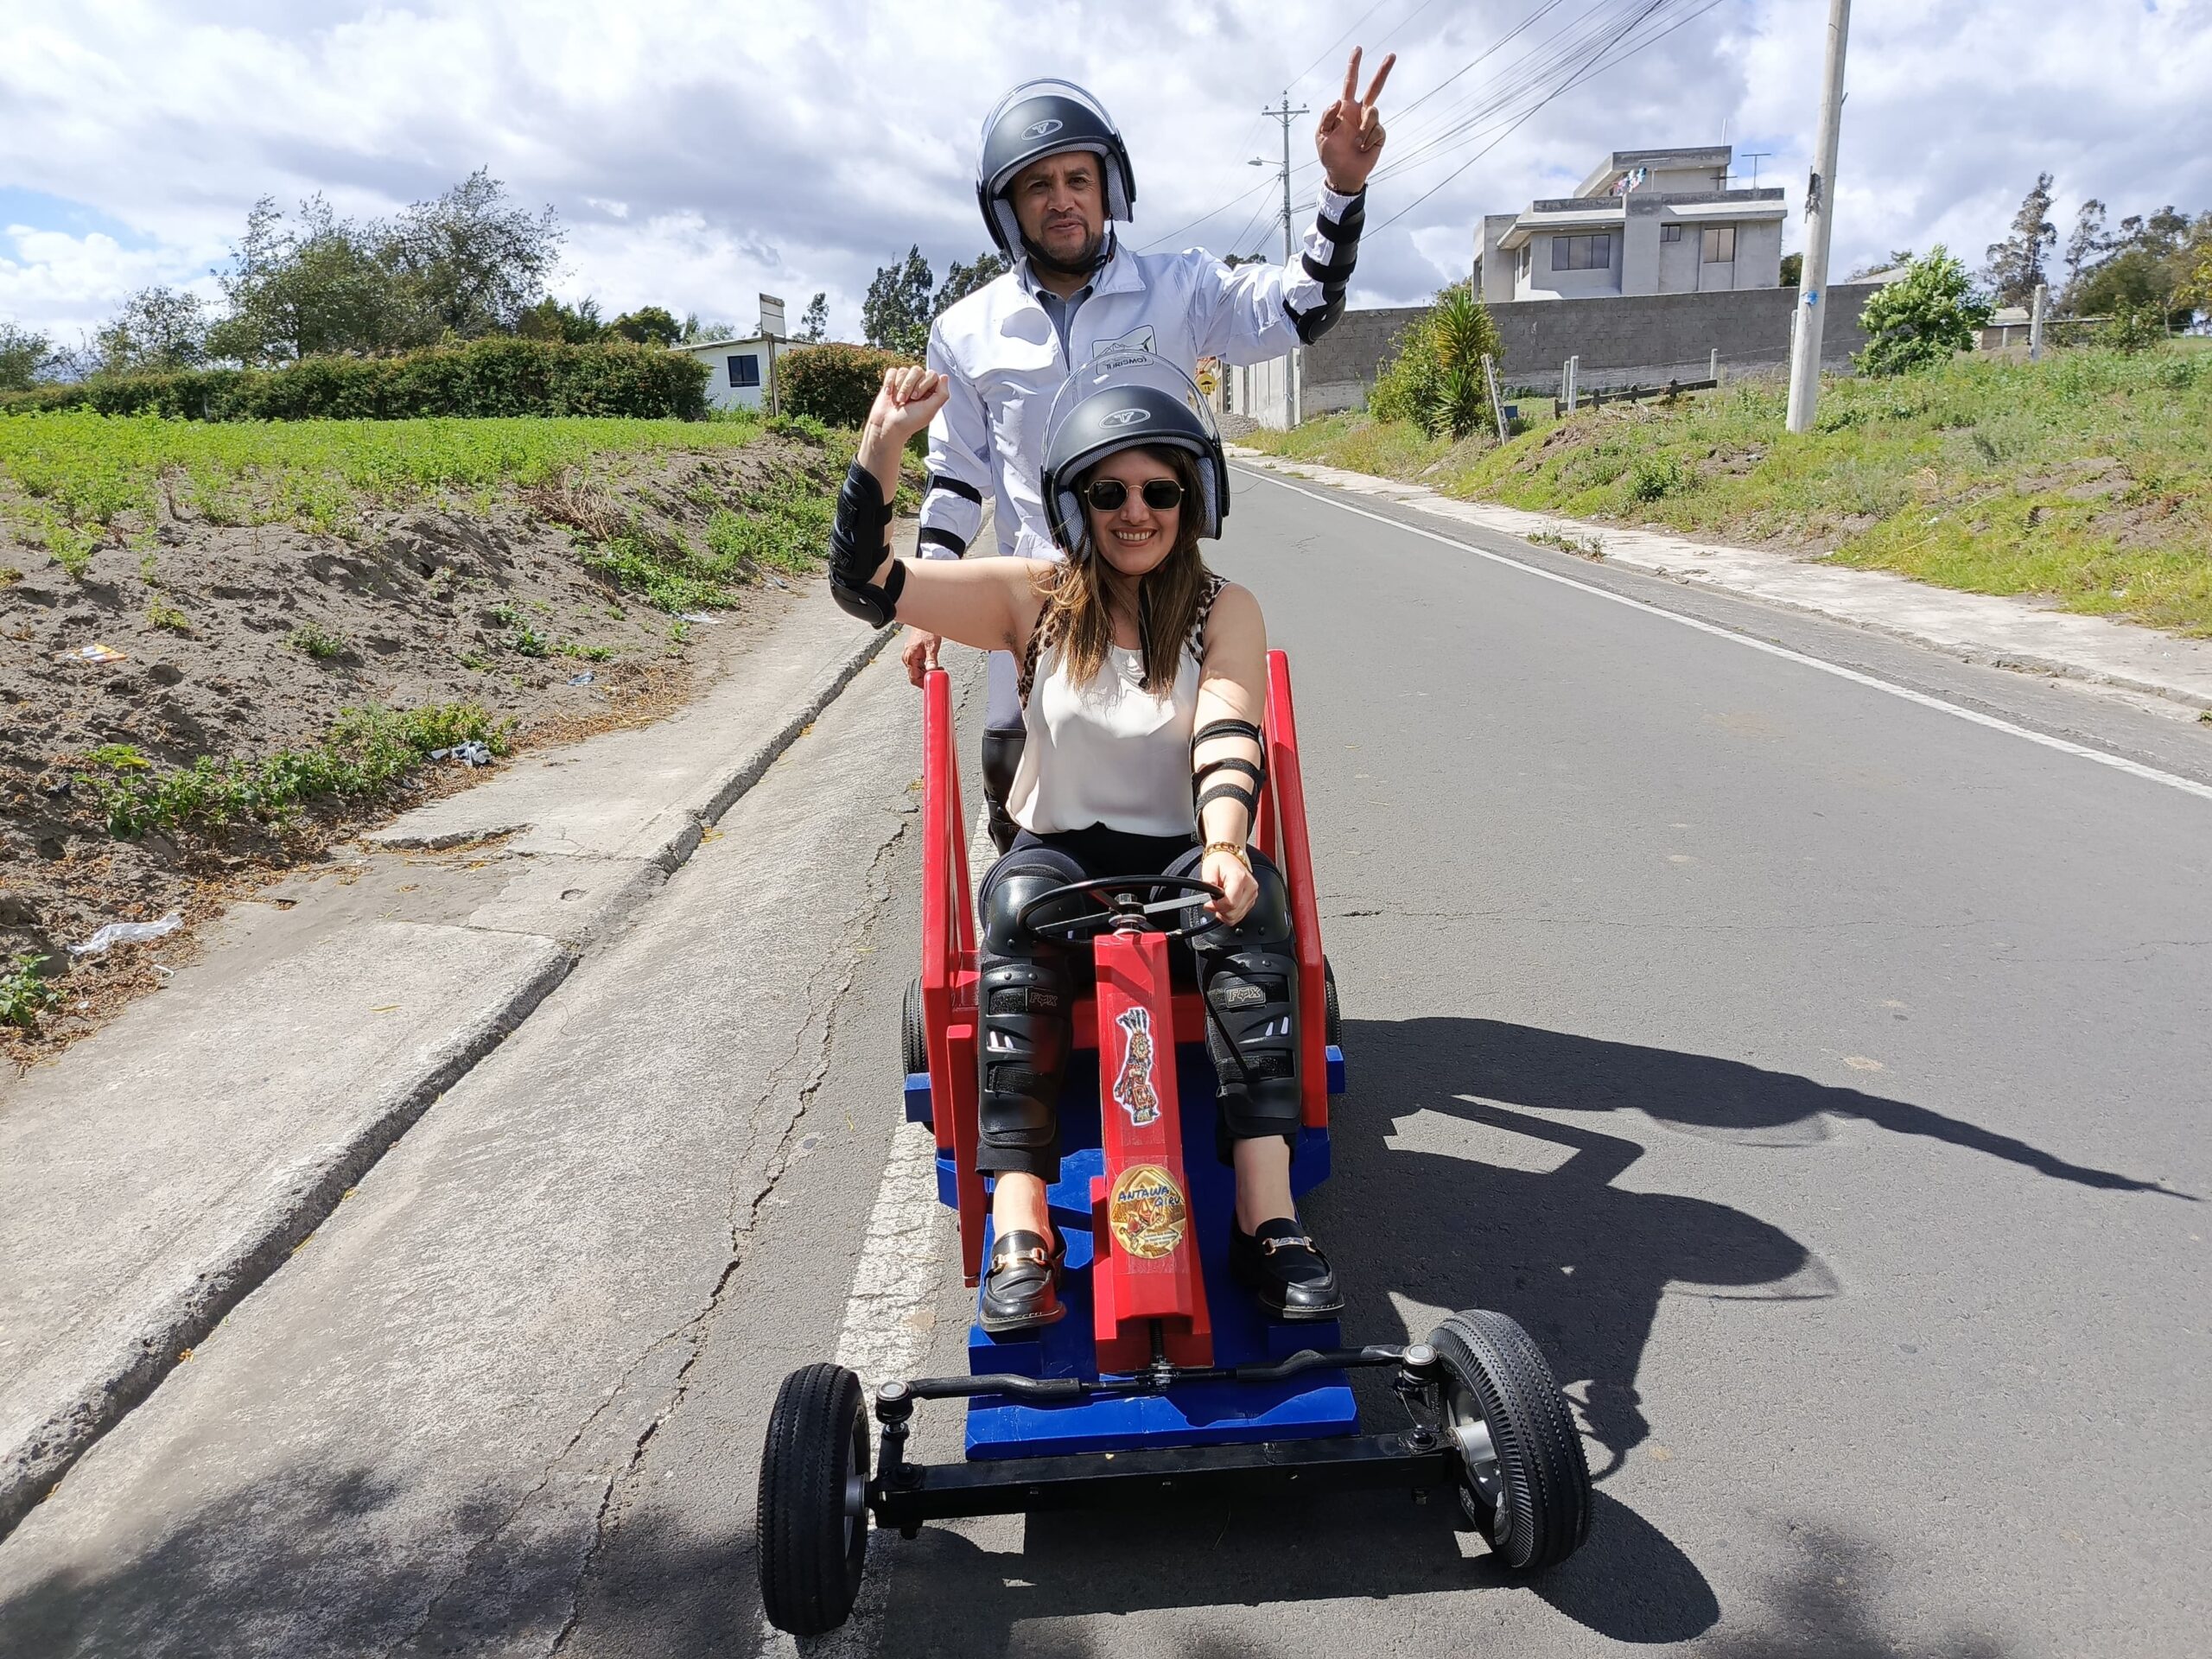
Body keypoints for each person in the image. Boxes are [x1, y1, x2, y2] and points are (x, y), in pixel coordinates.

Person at [830, 352, 1340, 1334]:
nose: (1134, 510)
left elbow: (1227, 729)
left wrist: (1227, 847)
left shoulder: (1220, 607)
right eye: (1108, 489)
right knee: (1012, 915)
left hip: (1181, 853)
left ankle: (1265, 1213)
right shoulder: (1031, 594)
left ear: (1194, 496)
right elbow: (866, 582)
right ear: (1075, 499)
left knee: (1255, 904)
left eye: (1159, 488)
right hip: (1059, 855)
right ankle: (1022, 1219)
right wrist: (883, 441)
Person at [907, 53, 1395, 852]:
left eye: (1077, 178)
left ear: (1109, 188)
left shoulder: (1182, 287)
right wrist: (925, 597)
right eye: (1038, 185)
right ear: (1008, 208)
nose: (1061, 199)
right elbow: (958, 475)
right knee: (1024, 807)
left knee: (1192, 787)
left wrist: (1341, 191)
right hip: (1035, 606)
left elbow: (1301, 304)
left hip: (1162, 594)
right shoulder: (968, 331)